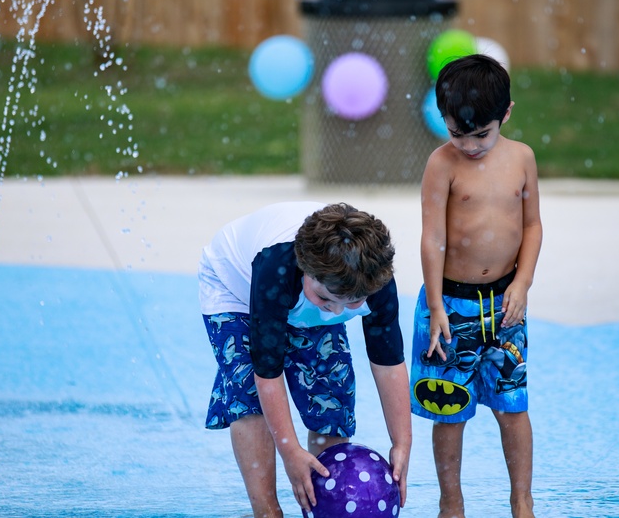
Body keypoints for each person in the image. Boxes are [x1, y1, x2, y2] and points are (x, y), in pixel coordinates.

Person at [199, 201, 411, 517]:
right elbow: (267, 373)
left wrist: (402, 441)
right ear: (306, 268)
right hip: (235, 289)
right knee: (248, 392)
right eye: (326, 299)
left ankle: (326, 504)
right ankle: (267, 511)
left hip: (313, 285)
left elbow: (388, 363)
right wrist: (290, 450)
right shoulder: (277, 267)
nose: (335, 312)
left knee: (330, 393)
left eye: (351, 303)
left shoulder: (370, 279)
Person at [411, 54, 543, 518]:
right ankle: (452, 503)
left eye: (480, 134)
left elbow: (532, 227)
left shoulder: (521, 158)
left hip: (505, 305)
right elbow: (432, 238)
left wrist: (523, 284)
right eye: (456, 133)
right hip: (449, 304)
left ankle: (521, 501)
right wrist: (434, 306)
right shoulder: (441, 164)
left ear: (505, 114)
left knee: (512, 405)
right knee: (448, 409)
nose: (468, 145)